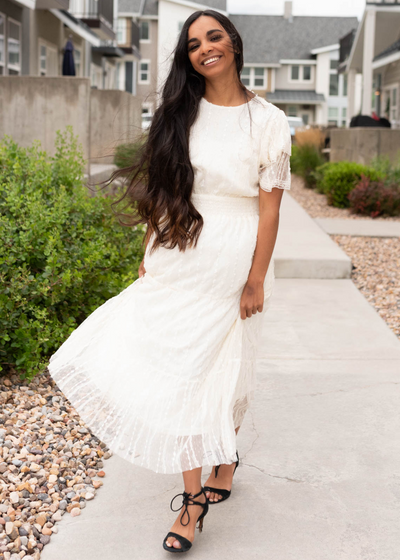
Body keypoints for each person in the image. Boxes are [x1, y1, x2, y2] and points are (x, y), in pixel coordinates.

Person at [47, 9, 292, 554]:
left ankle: (214, 471)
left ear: (233, 42)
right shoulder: (180, 114)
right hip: (179, 244)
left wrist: (255, 278)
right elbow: (164, 188)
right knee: (181, 369)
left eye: (214, 36)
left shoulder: (269, 120)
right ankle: (194, 497)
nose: (205, 47)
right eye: (193, 43)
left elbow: (270, 211)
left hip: (233, 253)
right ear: (188, 57)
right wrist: (148, 247)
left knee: (222, 368)